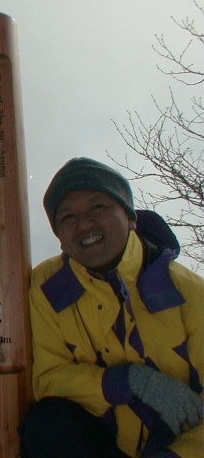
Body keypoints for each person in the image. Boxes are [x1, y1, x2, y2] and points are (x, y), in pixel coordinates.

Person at [20, 157, 203, 458]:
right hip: (107, 443)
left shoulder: (187, 291)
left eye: (98, 207)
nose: (84, 224)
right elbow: (49, 379)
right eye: (67, 217)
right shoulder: (47, 286)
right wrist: (129, 381)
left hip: (178, 448)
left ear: (131, 218)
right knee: (48, 422)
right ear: (61, 241)